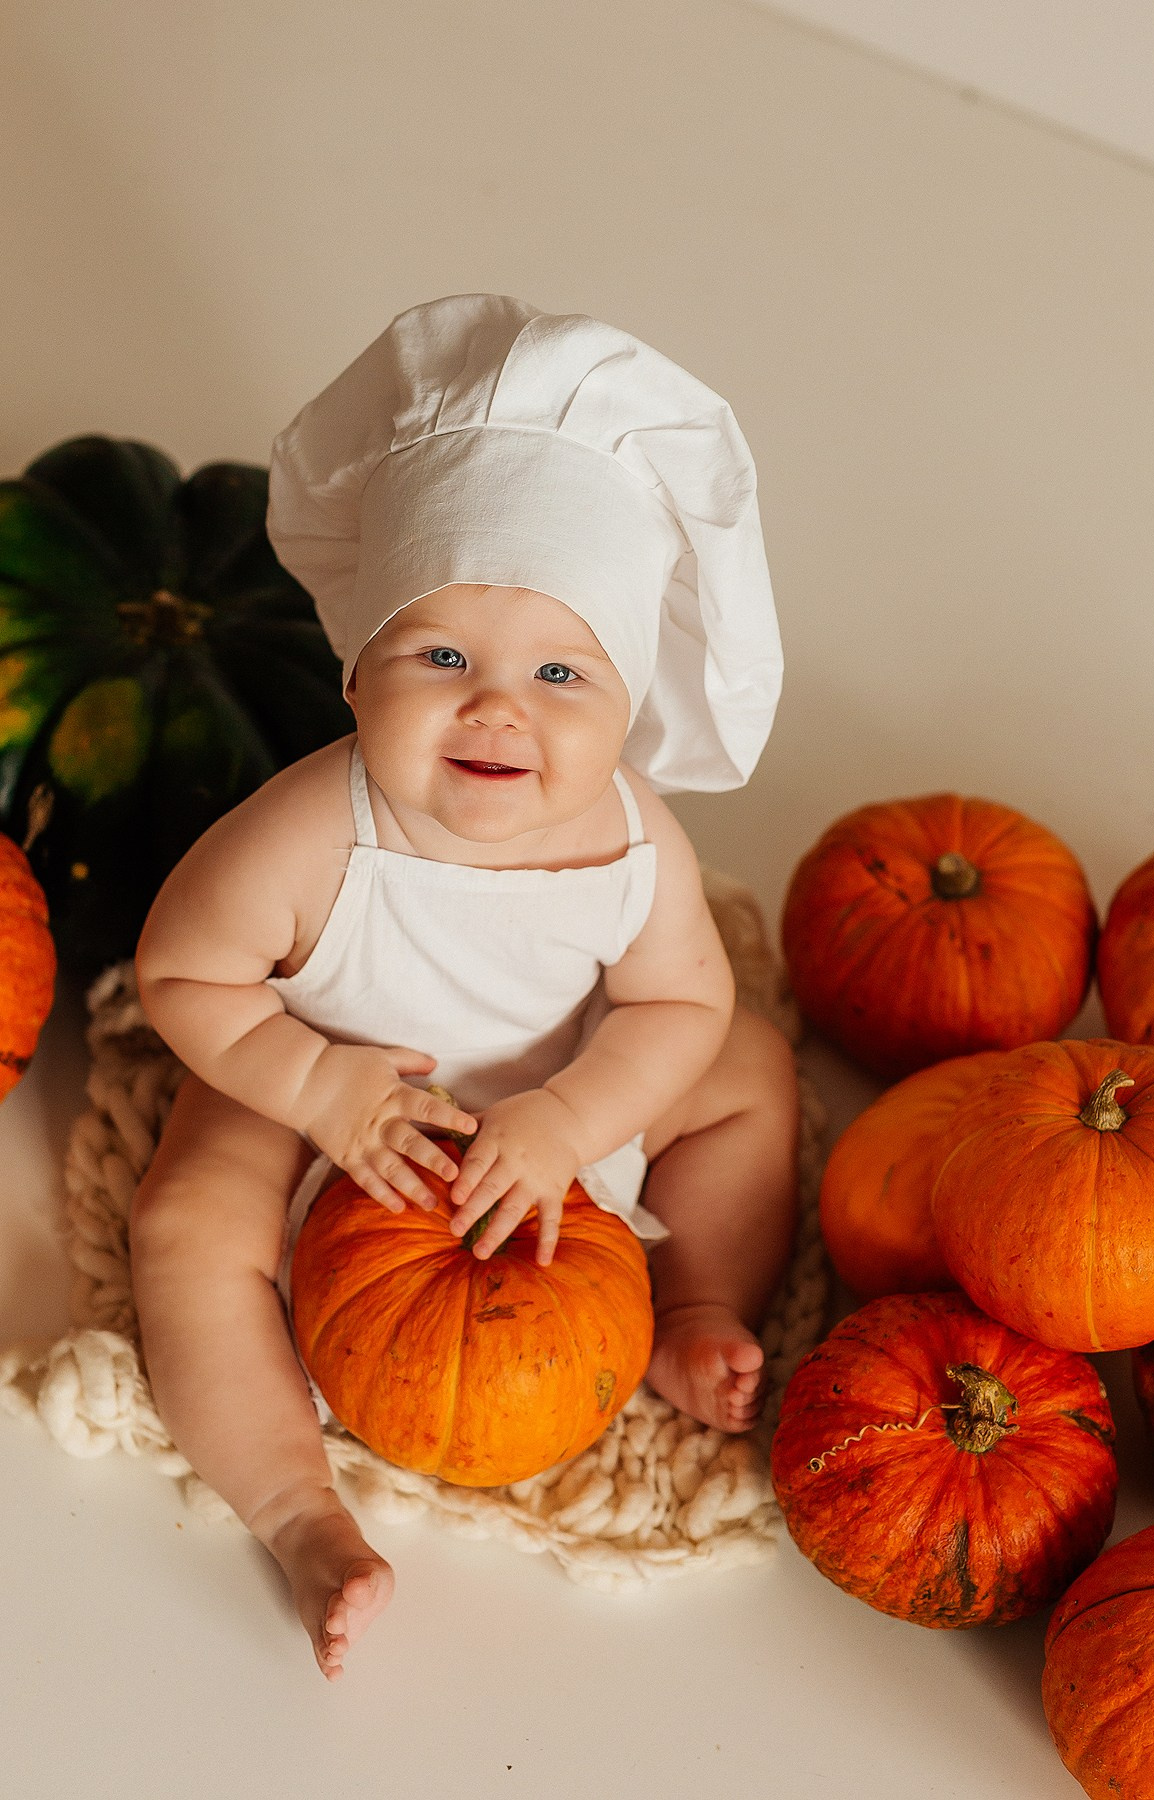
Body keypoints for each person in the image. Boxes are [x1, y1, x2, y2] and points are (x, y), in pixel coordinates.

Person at [130, 295, 800, 1680]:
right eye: (442, 657)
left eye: (562, 672)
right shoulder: (313, 831)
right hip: (336, 1090)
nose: (500, 708)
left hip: (556, 1091)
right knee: (189, 1221)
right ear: (360, 669)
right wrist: (321, 1082)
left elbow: (677, 1006)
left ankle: (692, 1309)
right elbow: (185, 973)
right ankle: (297, 1507)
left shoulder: (632, 841)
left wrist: (571, 1117)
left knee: (748, 1076)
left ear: (626, 711)